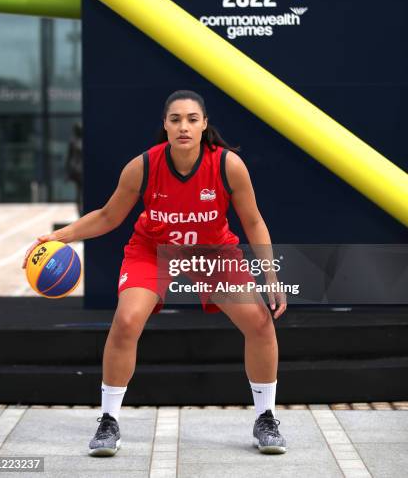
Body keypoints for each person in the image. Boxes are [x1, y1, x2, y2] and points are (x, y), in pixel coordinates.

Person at [22, 89, 287, 457]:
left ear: (204, 125)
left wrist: (270, 277)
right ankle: (108, 421)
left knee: (259, 322)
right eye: (175, 119)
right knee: (127, 320)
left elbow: (255, 222)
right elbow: (107, 217)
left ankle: (266, 417)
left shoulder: (227, 165)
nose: (183, 126)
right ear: (165, 125)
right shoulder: (143, 166)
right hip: (154, 251)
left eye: (192, 119)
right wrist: (58, 236)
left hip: (211, 252)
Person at [66, 121, 83, 216]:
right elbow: (69, 157)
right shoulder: (73, 141)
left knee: (81, 193)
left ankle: (82, 212)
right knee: (78, 193)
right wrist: (68, 171)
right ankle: (80, 213)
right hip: (77, 170)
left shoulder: (81, 141)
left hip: (80, 170)